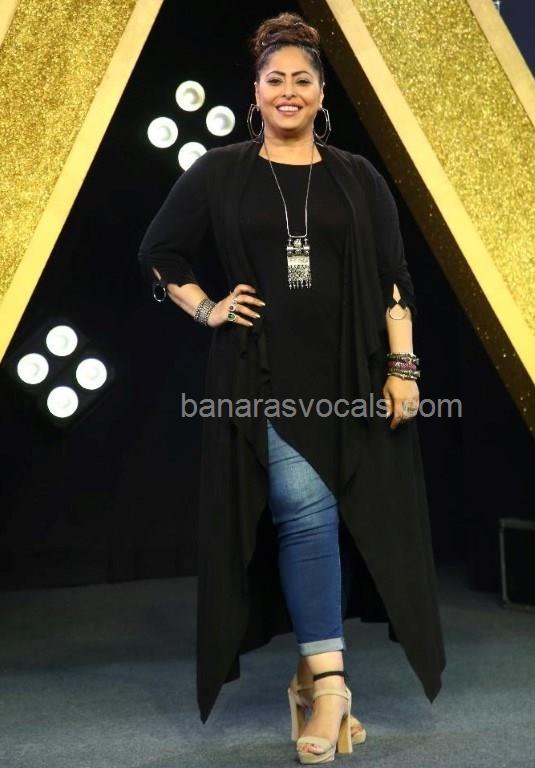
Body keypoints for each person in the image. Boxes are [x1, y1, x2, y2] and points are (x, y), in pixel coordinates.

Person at [138, 11, 445, 763]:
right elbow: (160, 252)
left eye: (301, 79)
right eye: (274, 79)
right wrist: (208, 308)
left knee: (342, 518)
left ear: (320, 92)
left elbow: (394, 280)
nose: (288, 90)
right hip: (263, 373)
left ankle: (310, 681)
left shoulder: (358, 177)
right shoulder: (221, 171)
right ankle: (334, 687)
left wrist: (403, 369)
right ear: (254, 92)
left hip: (351, 373)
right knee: (304, 509)